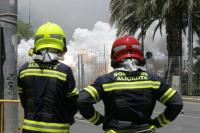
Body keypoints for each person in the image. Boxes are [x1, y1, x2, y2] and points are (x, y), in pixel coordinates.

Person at [77, 35, 183, 133]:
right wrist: (157, 123)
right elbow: (176, 103)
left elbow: (82, 100)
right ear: (140, 55)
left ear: (114, 56)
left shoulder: (106, 81)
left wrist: (99, 120)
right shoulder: (153, 80)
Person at [17, 22, 78, 133]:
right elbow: (73, 104)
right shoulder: (64, 71)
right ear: (61, 44)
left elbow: (24, 102)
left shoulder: (24, 70)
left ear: (36, 43)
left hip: (29, 130)